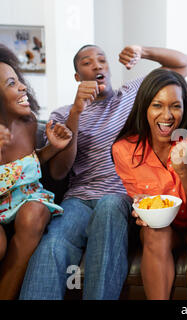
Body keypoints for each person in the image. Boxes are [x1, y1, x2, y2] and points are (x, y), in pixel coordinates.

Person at [19, 44, 187, 300]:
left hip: (120, 196)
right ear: (78, 78)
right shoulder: (64, 114)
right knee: (53, 244)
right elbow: (58, 172)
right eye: (87, 62)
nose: (97, 65)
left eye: (102, 59)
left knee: (109, 207)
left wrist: (142, 51)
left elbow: (184, 63)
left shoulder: (133, 95)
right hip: (79, 198)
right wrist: (76, 113)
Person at [112, 68, 187, 300]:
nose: (167, 115)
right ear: (144, 107)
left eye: (175, 106)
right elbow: (139, 200)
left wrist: (183, 170)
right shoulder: (124, 150)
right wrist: (138, 206)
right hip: (160, 226)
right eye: (157, 105)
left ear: (185, 108)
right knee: (155, 233)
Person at [0, 44, 72, 299]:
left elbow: (28, 166)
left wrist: (52, 148)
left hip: (25, 198)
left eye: (19, 80)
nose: (22, 87)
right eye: (11, 84)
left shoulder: (29, 122)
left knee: (35, 212)